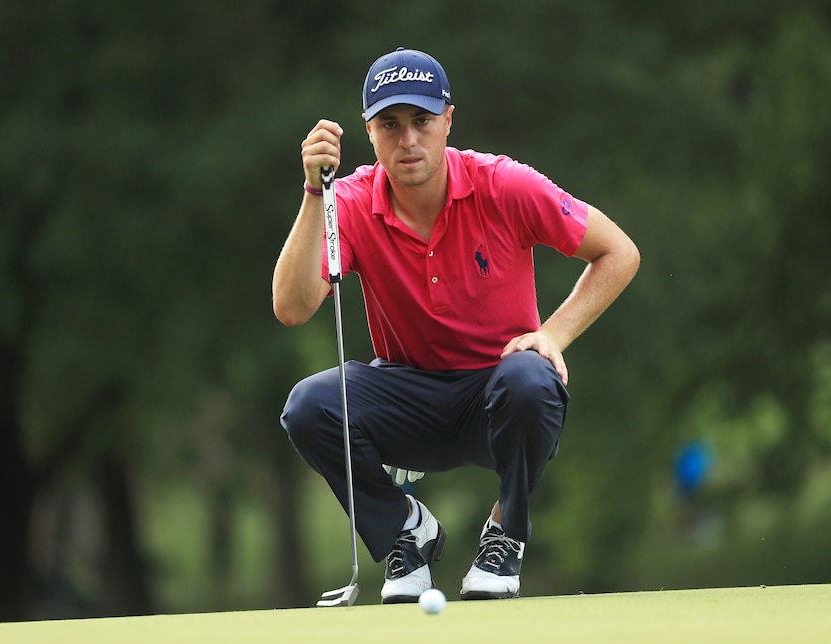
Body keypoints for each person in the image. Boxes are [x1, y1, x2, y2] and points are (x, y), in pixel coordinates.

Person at [273, 47, 640, 603]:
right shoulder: (344, 201)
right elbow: (292, 307)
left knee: (530, 377)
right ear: (369, 132)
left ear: (448, 119)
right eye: (389, 125)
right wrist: (312, 192)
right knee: (307, 405)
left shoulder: (505, 185)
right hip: (407, 398)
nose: (408, 140)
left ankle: (504, 533)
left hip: (499, 394)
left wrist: (554, 334)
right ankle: (404, 531)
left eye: (422, 121)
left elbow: (618, 252)